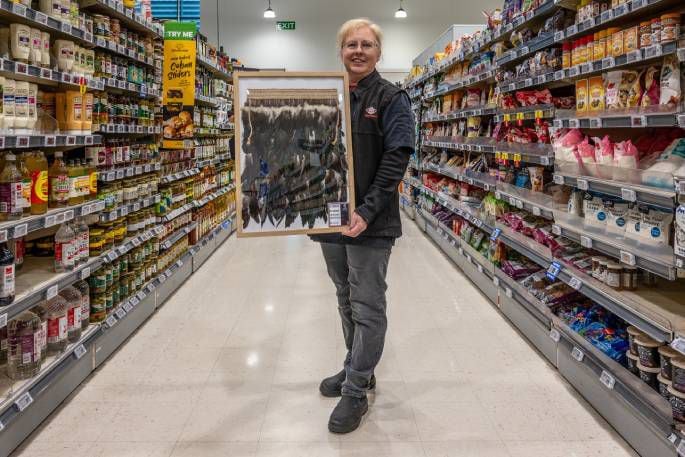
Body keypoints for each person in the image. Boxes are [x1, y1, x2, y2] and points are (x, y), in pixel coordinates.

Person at [310, 18, 415, 434]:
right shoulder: (326, 97)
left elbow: (397, 157)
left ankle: (355, 392)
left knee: (368, 304)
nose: (358, 50)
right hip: (330, 216)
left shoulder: (391, 98)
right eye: (350, 44)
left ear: (378, 53)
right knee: (345, 296)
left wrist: (367, 210)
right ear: (340, 50)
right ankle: (357, 368)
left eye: (366, 44)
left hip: (370, 222)